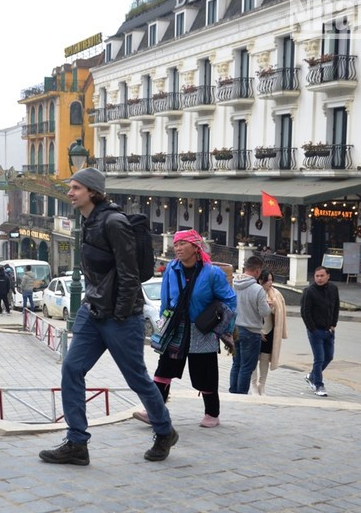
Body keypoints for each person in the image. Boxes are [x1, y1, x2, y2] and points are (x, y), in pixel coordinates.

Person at [39, 167, 178, 465]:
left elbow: (130, 275)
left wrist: (120, 313)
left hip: (119, 316)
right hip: (94, 310)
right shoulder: (89, 221)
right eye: (71, 187)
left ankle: (165, 431)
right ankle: (77, 443)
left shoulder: (114, 222)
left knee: (137, 378)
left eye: (76, 188)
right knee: (72, 369)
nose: (70, 192)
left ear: (92, 191)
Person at [133, 229, 236, 428]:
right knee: (164, 369)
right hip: (175, 326)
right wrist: (162, 326)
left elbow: (230, 300)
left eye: (182, 244)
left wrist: (223, 328)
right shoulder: (172, 268)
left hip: (202, 329)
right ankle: (154, 411)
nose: (177, 248)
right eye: (176, 244)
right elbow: (165, 300)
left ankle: (212, 414)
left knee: (205, 372)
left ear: (196, 247)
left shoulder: (212, 272)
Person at [229, 255, 272, 394]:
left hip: (235, 328)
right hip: (251, 331)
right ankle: (241, 394)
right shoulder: (257, 289)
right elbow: (265, 312)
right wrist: (269, 305)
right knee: (247, 367)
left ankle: (233, 391)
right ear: (258, 271)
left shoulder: (233, 284)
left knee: (236, 364)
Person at [301, 266, 340, 397]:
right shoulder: (309, 291)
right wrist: (312, 329)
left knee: (329, 357)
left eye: (322, 276)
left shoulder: (333, 289)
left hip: (329, 330)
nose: (319, 278)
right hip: (315, 331)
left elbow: (336, 307)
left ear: (328, 276)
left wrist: (333, 324)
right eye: (317, 276)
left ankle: (312, 376)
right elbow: (305, 312)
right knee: (319, 358)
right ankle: (319, 385)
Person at [250, 269, 289, 396]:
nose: (270, 283)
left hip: (270, 330)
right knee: (254, 358)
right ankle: (253, 385)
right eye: (268, 280)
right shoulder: (255, 291)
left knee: (265, 358)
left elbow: (279, 313)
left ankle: (262, 385)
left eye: (272, 279)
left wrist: (272, 307)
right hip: (256, 330)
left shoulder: (276, 294)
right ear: (261, 280)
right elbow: (251, 311)